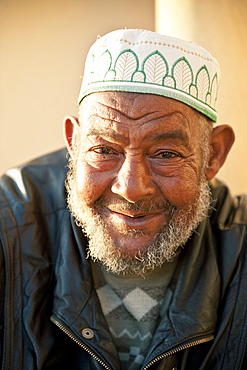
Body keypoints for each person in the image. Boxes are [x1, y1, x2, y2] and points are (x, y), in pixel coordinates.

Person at [0, 28, 246, 370]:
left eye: (165, 154)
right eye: (104, 150)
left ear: (212, 155)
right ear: (74, 144)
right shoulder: (7, 229)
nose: (130, 188)